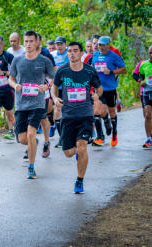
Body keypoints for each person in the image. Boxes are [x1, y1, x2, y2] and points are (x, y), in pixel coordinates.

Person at [52, 42, 103, 193]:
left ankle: (79, 181)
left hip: (85, 115)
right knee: (68, 152)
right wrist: (55, 99)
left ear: (82, 53)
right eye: (69, 51)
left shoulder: (89, 70)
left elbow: (99, 88)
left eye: (75, 51)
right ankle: (79, 153)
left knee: (82, 147)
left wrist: (96, 95)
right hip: (68, 116)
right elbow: (53, 88)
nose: (71, 53)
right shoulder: (62, 71)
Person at [9, 31, 55, 179]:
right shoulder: (17, 61)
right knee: (23, 139)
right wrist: (14, 85)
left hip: (37, 103)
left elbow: (55, 78)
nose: (28, 44)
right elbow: (11, 78)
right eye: (26, 41)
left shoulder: (44, 61)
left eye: (31, 41)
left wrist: (47, 86)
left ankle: (31, 166)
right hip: (22, 104)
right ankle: (32, 142)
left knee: (30, 133)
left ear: (37, 43)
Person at [91, 36, 127, 147]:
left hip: (110, 88)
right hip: (98, 88)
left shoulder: (114, 56)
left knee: (111, 111)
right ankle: (100, 137)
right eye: (99, 45)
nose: (101, 47)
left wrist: (111, 71)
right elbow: (92, 67)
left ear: (108, 45)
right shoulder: (95, 55)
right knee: (97, 111)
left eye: (103, 45)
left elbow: (124, 70)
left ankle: (114, 133)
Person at [5, 32, 25, 140]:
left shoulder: (24, 51)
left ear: (19, 41)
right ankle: (11, 130)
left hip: (22, 83)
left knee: (20, 107)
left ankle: (21, 128)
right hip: (11, 81)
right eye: (11, 41)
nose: (12, 43)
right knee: (9, 106)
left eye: (14, 41)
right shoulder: (8, 51)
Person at [50, 36, 70, 148]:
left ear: (65, 44)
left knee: (68, 112)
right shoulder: (52, 56)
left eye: (61, 44)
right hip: (57, 88)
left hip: (69, 87)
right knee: (57, 111)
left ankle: (70, 135)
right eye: (57, 44)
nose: (59, 46)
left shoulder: (70, 53)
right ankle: (61, 138)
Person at [138, 45, 152, 148]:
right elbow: (140, 75)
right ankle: (148, 139)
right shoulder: (144, 64)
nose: (151, 55)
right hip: (147, 91)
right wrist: (142, 81)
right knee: (147, 115)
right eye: (150, 53)